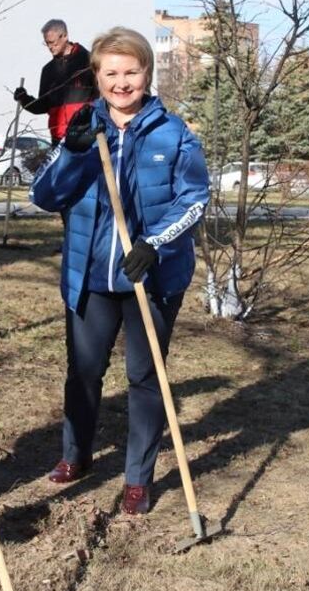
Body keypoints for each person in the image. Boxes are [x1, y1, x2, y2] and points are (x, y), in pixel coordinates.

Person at [29, 26, 210, 515]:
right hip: (91, 274)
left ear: (147, 73)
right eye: (111, 73)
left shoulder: (174, 134)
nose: (122, 82)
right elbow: (43, 196)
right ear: (98, 76)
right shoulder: (83, 128)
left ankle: (137, 478)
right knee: (83, 372)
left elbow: (195, 201)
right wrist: (73, 151)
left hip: (150, 276)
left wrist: (155, 243)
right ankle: (76, 454)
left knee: (144, 378)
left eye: (131, 71)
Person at [12, 19, 97, 145]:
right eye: (47, 43)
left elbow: (105, 99)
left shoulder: (90, 62)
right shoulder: (48, 70)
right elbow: (43, 106)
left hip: (88, 137)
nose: (50, 47)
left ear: (64, 36)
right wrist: (24, 99)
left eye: (52, 42)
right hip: (58, 140)